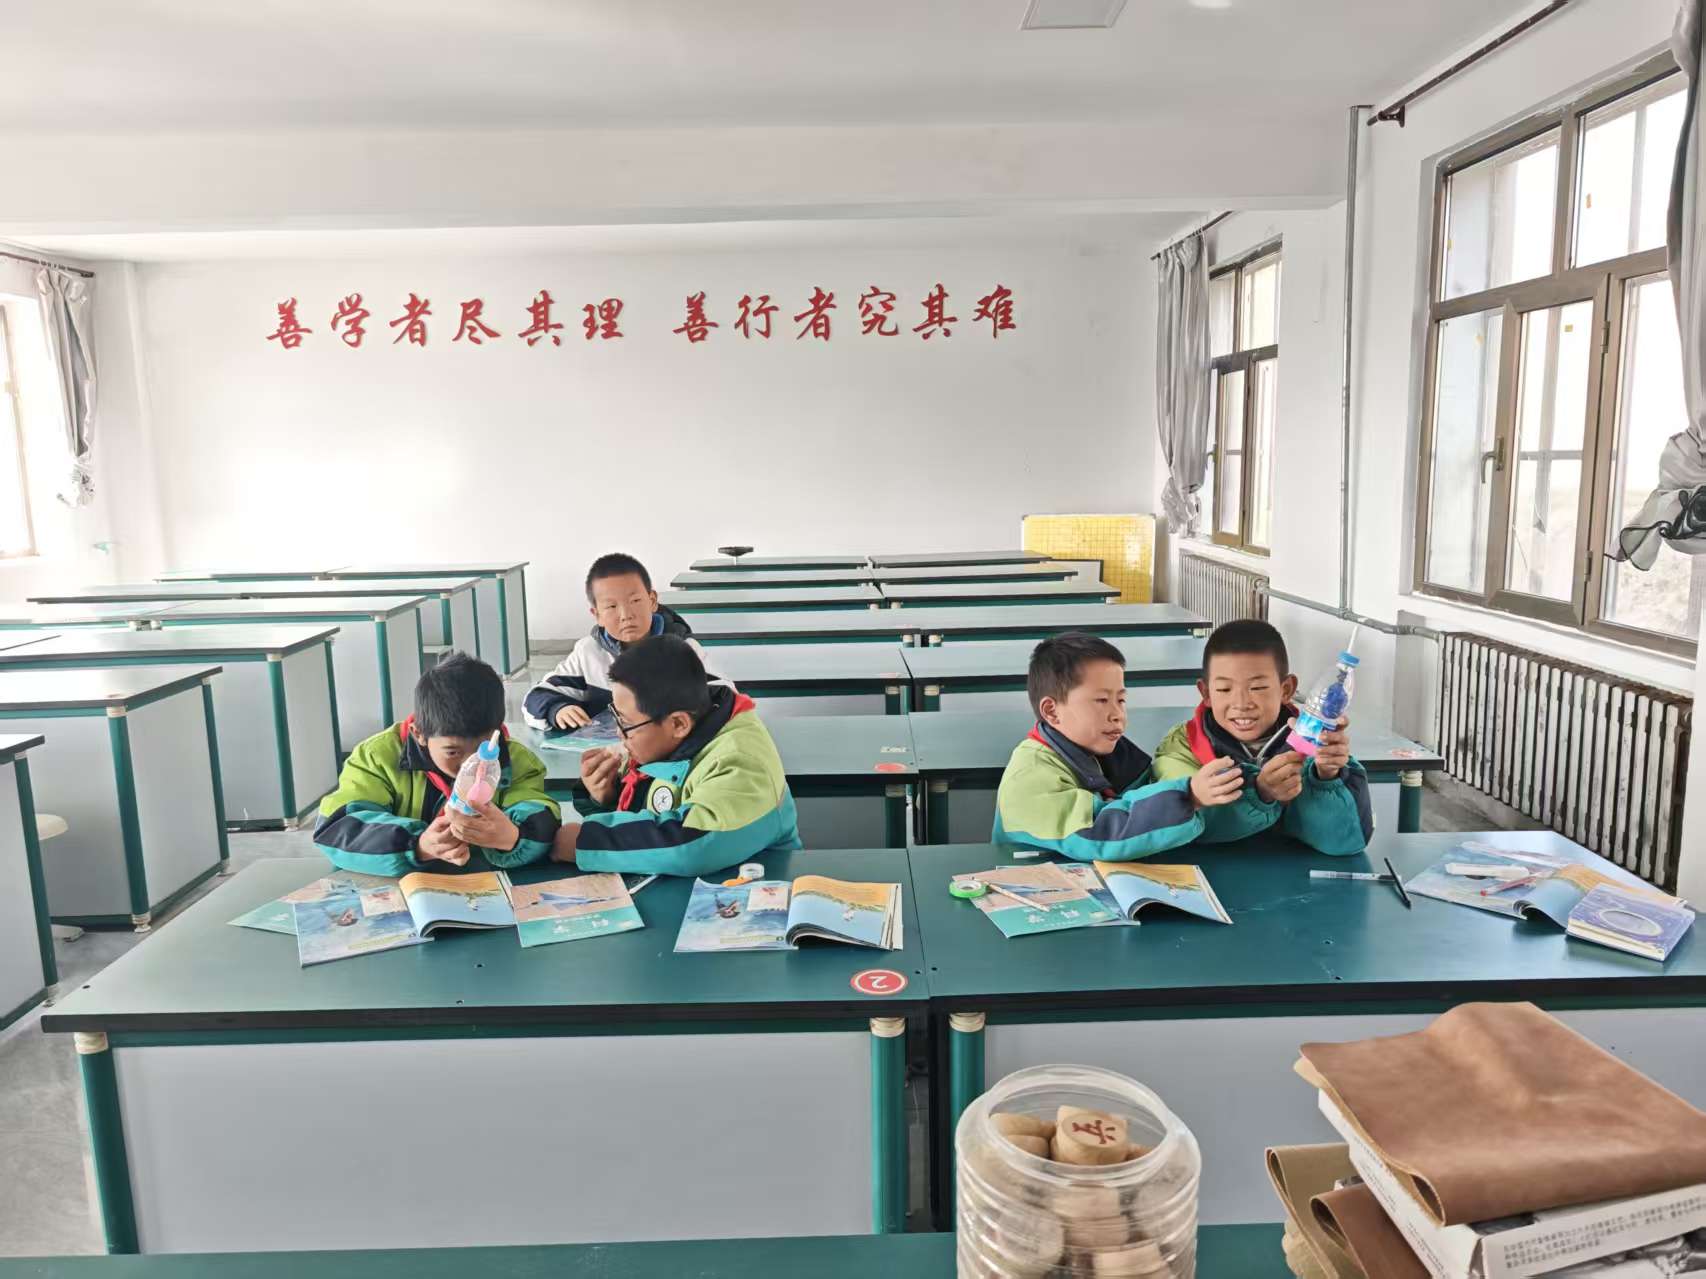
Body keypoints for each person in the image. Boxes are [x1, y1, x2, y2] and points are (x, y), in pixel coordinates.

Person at [551, 635, 800, 875]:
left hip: (751, 892)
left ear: (679, 724)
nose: (618, 732)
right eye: (615, 715)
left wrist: (587, 842)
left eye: (626, 722)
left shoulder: (742, 762)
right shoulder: (665, 735)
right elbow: (646, 817)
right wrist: (607, 796)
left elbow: (693, 844)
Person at [992, 632, 1241, 860]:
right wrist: (1188, 796)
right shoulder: (1029, 777)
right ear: (1052, 711)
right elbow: (1100, 831)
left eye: (1121, 700)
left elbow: (1150, 794)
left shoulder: (1106, 753)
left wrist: (1254, 791)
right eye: (1101, 700)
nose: (1118, 715)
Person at [314, 652, 560, 875]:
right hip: (404, 887)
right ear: (419, 734)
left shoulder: (518, 763)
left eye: (482, 750)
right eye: (453, 752)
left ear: (497, 732)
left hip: (484, 883)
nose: (469, 764)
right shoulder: (377, 758)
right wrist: (417, 845)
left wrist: (514, 837)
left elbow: (540, 817)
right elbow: (338, 828)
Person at [1150, 618, 1373, 854]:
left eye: (1257, 688)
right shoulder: (1182, 749)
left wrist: (1327, 778)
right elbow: (1185, 822)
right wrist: (1259, 793)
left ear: (1286, 689)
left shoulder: (1315, 745)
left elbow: (1342, 843)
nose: (1241, 703)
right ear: (1205, 693)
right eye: (1224, 689)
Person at [522, 552, 726, 731]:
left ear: (652, 601)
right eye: (611, 606)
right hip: (609, 756)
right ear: (597, 615)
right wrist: (557, 709)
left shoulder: (683, 650)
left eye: (635, 601)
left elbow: (724, 697)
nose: (626, 615)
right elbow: (536, 697)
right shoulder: (588, 653)